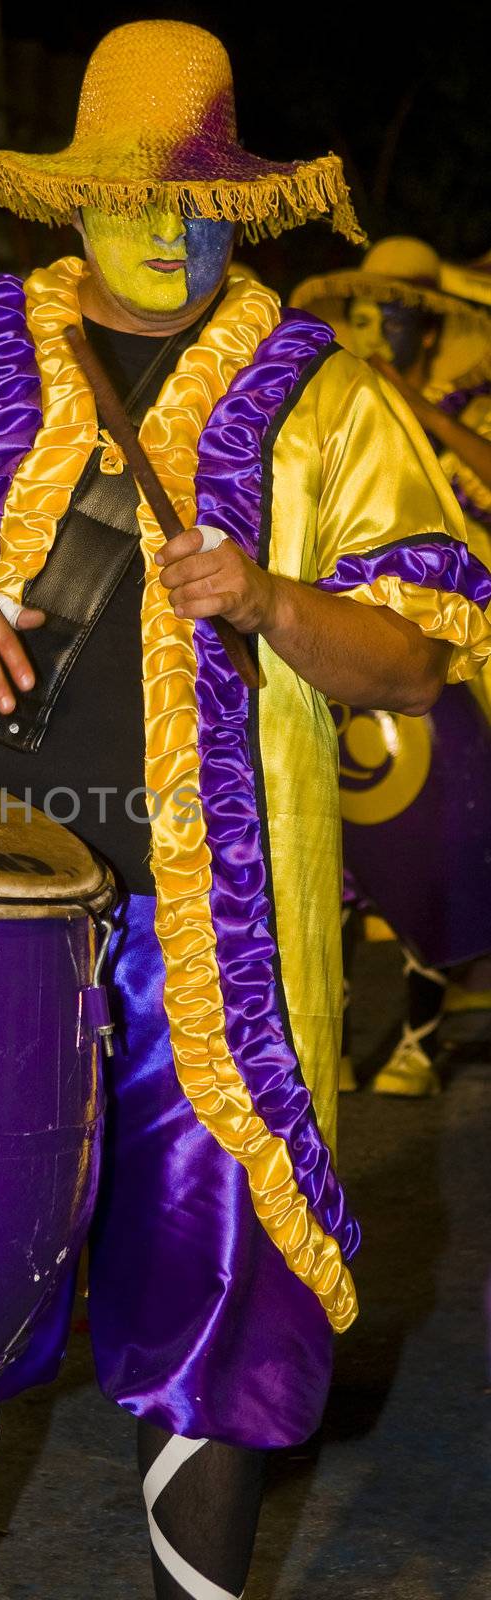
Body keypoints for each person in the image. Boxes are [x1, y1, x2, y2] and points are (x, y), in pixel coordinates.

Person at [0, 22, 491, 1599]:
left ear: (248, 207)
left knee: (224, 1298)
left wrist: (280, 602)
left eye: (198, 195)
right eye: (130, 192)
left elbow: (421, 664)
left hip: (207, 947)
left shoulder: (329, 398)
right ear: (71, 200)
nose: (166, 224)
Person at [293, 239, 491, 1094]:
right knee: (329, 842)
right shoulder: (335, 403)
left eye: (398, 316)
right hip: (348, 642)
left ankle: (419, 1038)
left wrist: (425, 410)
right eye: (366, 315)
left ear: (429, 324)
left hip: (460, 645)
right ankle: (326, 1034)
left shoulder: (474, 402)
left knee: (440, 834)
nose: (380, 331)